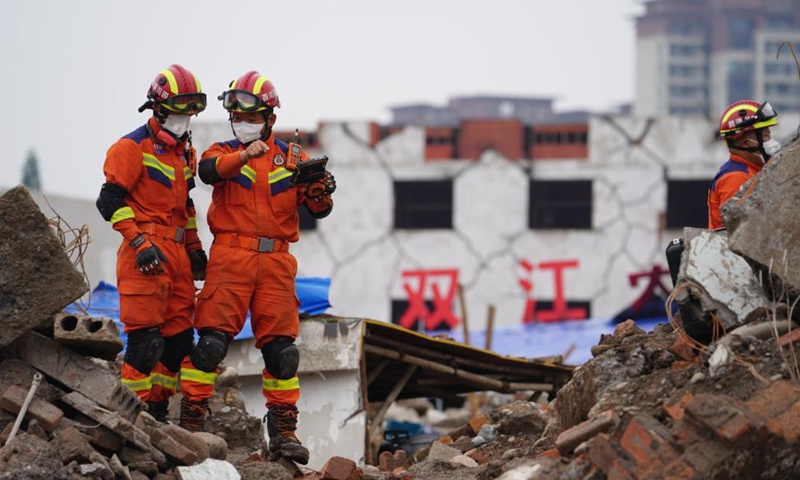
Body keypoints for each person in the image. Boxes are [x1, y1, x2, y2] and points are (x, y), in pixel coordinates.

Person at [183, 71, 335, 464]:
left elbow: (319, 209)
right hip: (231, 256)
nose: (241, 121)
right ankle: (191, 423)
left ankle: (284, 432)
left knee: (283, 352)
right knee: (211, 343)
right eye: (236, 114)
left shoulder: (294, 158)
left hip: (277, 261)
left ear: (269, 117)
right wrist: (245, 155)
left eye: (250, 115)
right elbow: (208, 172)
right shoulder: (221, 150)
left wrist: (320, 191)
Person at [95, 64, 208, 424]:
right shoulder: (131, 147)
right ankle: (128, 417)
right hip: (144, 251)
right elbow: (109, 201)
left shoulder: (183, 153)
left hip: (176, 253)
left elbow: (186, 208)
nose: (184, 117)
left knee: (176, 343)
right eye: (178, 109)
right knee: (145, 345)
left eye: (189, 110)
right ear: (157, 108)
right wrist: (139, 241)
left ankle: (155, 413)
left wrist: (194, 249)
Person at [708, 100, 780, 229]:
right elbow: (741, 232)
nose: (771, 142)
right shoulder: (736, 178)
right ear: (747, 143)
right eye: (765, 135)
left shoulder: (754, 171)